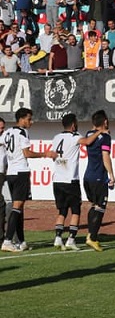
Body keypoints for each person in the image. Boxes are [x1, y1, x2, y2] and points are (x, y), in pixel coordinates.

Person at [2, 108, 57, 252]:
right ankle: (7, 241)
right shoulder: (22, 132)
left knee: (18, 208)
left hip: (11, 173)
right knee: (17, 207)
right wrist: (45, 154)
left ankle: (21, 241)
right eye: (29, 119)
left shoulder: (7, 132)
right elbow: (27, 153)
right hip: (21, 172)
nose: (31, 122)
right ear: (21, 119)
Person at [51, 113, 89, 251]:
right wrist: (99, 132)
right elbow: (88, 142)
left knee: (62, 211)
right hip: (70, 180)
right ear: (73, 124)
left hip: (57, 180)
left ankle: (58, 238)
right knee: (76, 211)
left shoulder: (56, 137)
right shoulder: (75, 137)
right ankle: (71, 240)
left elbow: (52, 155)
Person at [81, 110, 115, 252]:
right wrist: (111, 175)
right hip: (98, 177)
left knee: (94, 205)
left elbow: (90, 135)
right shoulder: (105, 137)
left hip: (88, 177)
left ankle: (90, 235)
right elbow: (105, 156)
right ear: (105, 121)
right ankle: (92, 238)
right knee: (100, 207)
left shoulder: (89, 134)